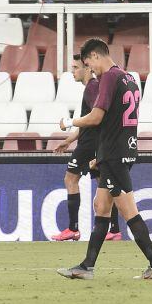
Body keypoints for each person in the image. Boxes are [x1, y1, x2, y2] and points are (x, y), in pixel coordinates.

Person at [56, 39, 152, 280]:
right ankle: (87, 266)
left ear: (95, 56)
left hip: (114, 154)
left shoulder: (108, 78)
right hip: (124, 149)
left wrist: (70, 122)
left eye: (89, 64)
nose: (91, 70)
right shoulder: (129, 78)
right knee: (101, 206)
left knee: (129, 211)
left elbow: (96, 117)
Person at [52, 54, 120, 242]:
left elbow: (96, 119)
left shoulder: (91, 88)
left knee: (70, 179)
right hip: (94, 143)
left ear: (87, 68)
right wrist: (69, 139)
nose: (72, 71)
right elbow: (91, 119)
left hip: (89, 144)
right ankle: (113, 229)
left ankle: (73, 228)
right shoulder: (93, 88)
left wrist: (71, 126)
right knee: (104, 184)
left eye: (75, 67)